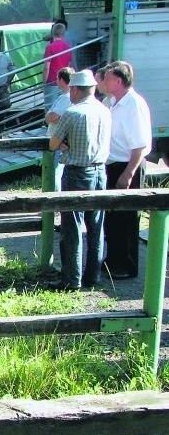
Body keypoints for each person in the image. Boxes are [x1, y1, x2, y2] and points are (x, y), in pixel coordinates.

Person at [48, 69, 112, 291]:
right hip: (100, 171)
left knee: (73, 227)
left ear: (75, 89)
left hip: (77, 172)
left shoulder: (73, 113)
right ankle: (93, 275)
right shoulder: (105, 111)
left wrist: (65, 144)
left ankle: (71, 278)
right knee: (96, 226)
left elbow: (53, 144)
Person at [102, 60, 152, 279]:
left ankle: (127, 265)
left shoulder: (134, 104)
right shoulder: (112, 101)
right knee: (112, 217)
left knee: (128, 217)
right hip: (113, 164)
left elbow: (140, 145)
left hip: (127, 164)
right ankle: (113, 260)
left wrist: (129, 173)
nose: (104, 81)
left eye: (108, 78)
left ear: (118, 80)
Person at [45, 66, 74, 191]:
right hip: (60, 140)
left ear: (62, 80)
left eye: (57, 79)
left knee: (55, 173)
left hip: (58, 141)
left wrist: (48, 116)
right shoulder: (66, 96)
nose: (56, 81)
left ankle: (54, 202)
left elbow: (53, 116)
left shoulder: (66, 98)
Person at [42, 22, 73, 110]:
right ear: (64, 33)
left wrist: (44, 83)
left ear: (52, 33)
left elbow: (46, 67)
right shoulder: (68, 47)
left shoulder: (50, 47)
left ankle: (50, 124)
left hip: (52, 82)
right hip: (64, 81)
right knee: (63, 107)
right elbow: (69, 65)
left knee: (50, 108)